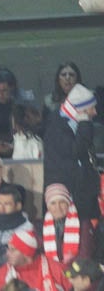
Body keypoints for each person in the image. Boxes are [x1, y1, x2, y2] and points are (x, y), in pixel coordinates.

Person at [42, 83, 98, 226]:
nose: (95, 112)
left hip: (83, 191)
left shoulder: (72, 122)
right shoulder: (57, 125)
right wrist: (85, 123)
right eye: (92, 108)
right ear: (82, 110)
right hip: (69, 194)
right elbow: (77, 151)